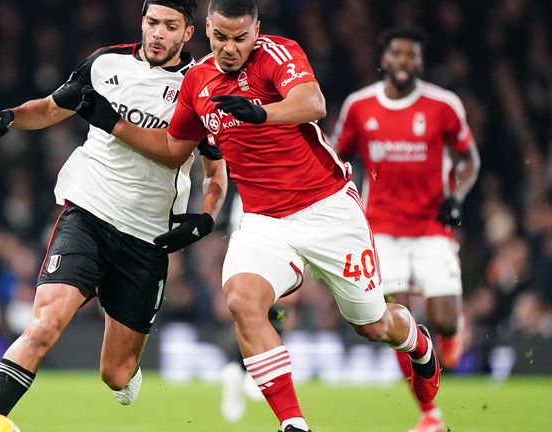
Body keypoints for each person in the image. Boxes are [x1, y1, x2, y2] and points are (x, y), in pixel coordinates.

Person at [73, 1, 441, 431]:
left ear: (256, 31)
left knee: (374, 326)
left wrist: (262, 112)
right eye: (220, 37)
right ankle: (293, 424)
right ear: (207, 29)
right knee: (242, 300)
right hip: (264, 219)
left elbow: (313, 102)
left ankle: (418, 343)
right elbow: (175, 149)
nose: (230, 48)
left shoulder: (277, 55)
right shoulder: (197, 81)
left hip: (328, 209)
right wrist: (112, 123)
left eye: (240, 38)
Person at [0, 0, 228, 417]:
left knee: (116, 373)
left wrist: (207, 216)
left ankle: (127, 372)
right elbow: (53, 107)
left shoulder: (199, 85)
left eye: (170, 25)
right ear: (141, 22)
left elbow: (214, 170)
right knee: (42, 327)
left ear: (188, 33)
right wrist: (12, 117)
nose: (158, 33)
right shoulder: (104, 64)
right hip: (89, 213)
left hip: (147, 238)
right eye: (152, 22)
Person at [332, 26, 480, 432]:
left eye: (412, 56)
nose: (404, 62)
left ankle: (451, 340)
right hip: (381, 231)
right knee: (396, 324)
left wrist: (457, 197)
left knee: (445, 324)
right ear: (385, 59)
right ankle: (430, 416)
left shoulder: (443, 106)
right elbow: (335, 157)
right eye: (397, 55)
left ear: (420, 62)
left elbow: (469, 160)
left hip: (432, 229)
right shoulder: (360, 106)